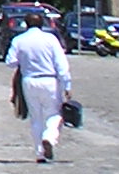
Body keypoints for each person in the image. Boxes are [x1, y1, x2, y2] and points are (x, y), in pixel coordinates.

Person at [5, 10, 71, 162]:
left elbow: (10, 62)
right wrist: (66, 85)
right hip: (49, 80)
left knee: (36, 118)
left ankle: (40, 153)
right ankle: (49, 137)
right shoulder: (51, 39)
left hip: (29, 81)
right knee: (54, 114)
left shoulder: (19, 40)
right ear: (43, 24)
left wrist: (24, 60)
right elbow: (61, 65)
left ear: (26, 24)